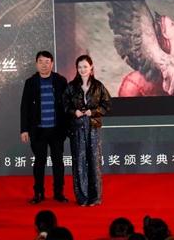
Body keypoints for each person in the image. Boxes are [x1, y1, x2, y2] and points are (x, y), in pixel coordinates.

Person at [20, 51, 69, 204]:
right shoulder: (30, 82)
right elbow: (24, 107)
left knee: (58, 163)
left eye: (47, 62)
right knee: (39, 163)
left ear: (52, 64)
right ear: (36, 64)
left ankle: (59, 193)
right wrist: (24, 129)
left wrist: (67, 127)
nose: (44, 65)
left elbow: (67, 106)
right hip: (38, 130)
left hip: (56, 130)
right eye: (41, 61)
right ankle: (38, 193)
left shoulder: (61, 81)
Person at [63, 55, 111, 206]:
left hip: (93, 127)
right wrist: (74, 112)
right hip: (77, 127)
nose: (82, 69)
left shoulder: (98, 86)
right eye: (80, 67)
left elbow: (106, 104)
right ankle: (82, 198)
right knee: (79, 162)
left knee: (94, 161)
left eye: (85, 66)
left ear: (91, 67)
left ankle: (95, 197)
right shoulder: (71, 87)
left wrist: (94, 111)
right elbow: (64, 105)